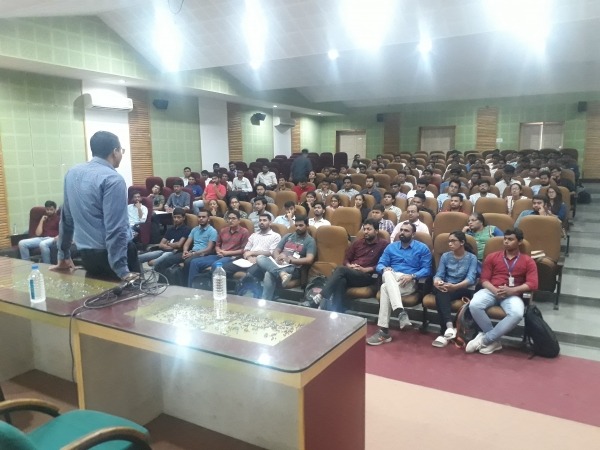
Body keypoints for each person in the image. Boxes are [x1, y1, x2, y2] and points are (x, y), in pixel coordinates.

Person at [53, 131, 139, 280]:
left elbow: (66, 219)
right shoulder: (113, 179)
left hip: (87, 256)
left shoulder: (72, 173)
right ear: (115, 151)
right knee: (134, 294)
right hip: (115, 258)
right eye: (121, 150)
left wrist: (63, 256)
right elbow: (116, 228)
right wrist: (122, 270)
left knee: (98, 294)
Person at [466, 228, 538, 355]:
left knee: (517, 314)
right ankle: (494, 341)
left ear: (520, 241)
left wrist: (512, 290)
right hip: (491, 290)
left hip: (513, 294)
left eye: (510, 239)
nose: (506, 241)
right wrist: (494, 290)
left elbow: (533, 284)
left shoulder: (528, 261)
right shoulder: (492, 257)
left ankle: (485, 340)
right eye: (505, 239)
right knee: (474, 305)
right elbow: (484, 280)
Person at [366, 221, 432, 345]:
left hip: (408, 281)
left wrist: (412, 276)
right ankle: (400, 312)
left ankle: (384, 332)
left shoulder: (422, 248)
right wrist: (384, 269)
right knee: (387, 273)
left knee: (385, 288)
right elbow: (380, 265)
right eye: (401, 230)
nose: (402, 232)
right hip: (392, 276)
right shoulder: (391, 247)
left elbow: (427, 269)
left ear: (413, 234)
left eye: (406, 231)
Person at [309, 218, 388, 312]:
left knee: (340, 270)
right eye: (364, 229)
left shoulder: (383, 244)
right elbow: (346, 259)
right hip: (352, 273)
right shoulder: (358, 243)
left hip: (368, 276)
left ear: (376, 231)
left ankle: (322, 295)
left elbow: (384, 264)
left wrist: (366, 269)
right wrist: (349, 265)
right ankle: (338, 311)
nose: (366, 232)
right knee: (341, 281)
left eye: (369, 229)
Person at [246, 216, 316, 300]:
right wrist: (277, 257)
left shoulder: (310, 241)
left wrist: (291, 260)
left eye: (301, 225)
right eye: (296, 225)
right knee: (260, 257)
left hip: (294, 267)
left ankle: (265, 300)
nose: (298, 228)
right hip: (279, 263)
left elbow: (309, 259)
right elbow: (276, 250)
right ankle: (282, 273)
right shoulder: (288, 236)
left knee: (269, 273)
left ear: (307, 226)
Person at [431, 231, 478, 348]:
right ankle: (449, 328)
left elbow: (471, 278)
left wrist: (455, 286)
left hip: (462, 287)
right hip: (446, 286)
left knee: (441, 295)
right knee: (441, 292)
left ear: (462, 242)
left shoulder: (471, 258)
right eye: (449, 241)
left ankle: (445, 331)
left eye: (453, 241)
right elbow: (439, 274)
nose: (450, 244)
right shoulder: (445, 256)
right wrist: (437, 281)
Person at [187, 210, 249, 286]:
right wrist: (219, 251)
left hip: (233, 257)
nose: (231, 220)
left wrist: (226, 253)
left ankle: (213, 289)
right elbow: (217, 245)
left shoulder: (244, 232)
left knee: (216, 265)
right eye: (229, 218)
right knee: (194, 262)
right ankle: (191, 287)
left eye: (233, 218)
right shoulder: (223, 230)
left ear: (239, 220)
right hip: (219, 255)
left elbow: (244, 250)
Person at [19, 200, 60, 264]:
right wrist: (41, 220)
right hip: (42, 238)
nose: (49, 211)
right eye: (47, 209)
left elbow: (63, 231)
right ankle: (27, 264)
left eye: (51, 210)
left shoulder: (58, 218)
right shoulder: (44, 218)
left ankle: (47, 265)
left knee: (43, 244)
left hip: (52, 238)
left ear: (55, 209)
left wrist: (58, 237)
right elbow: (38, 233)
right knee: (22, 243)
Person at [181, 210, 218, 280]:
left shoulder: (212, 231)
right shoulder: (195, 229)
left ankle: (186, 284)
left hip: (202, 254)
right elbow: (186, 243)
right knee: (171, 259)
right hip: (192, 252)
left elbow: (209, 249)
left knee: (188, 262)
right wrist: (185, 251)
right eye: (199, 217)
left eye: (203, 217)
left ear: (208, 219)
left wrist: (193, 254)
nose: (201, 218)